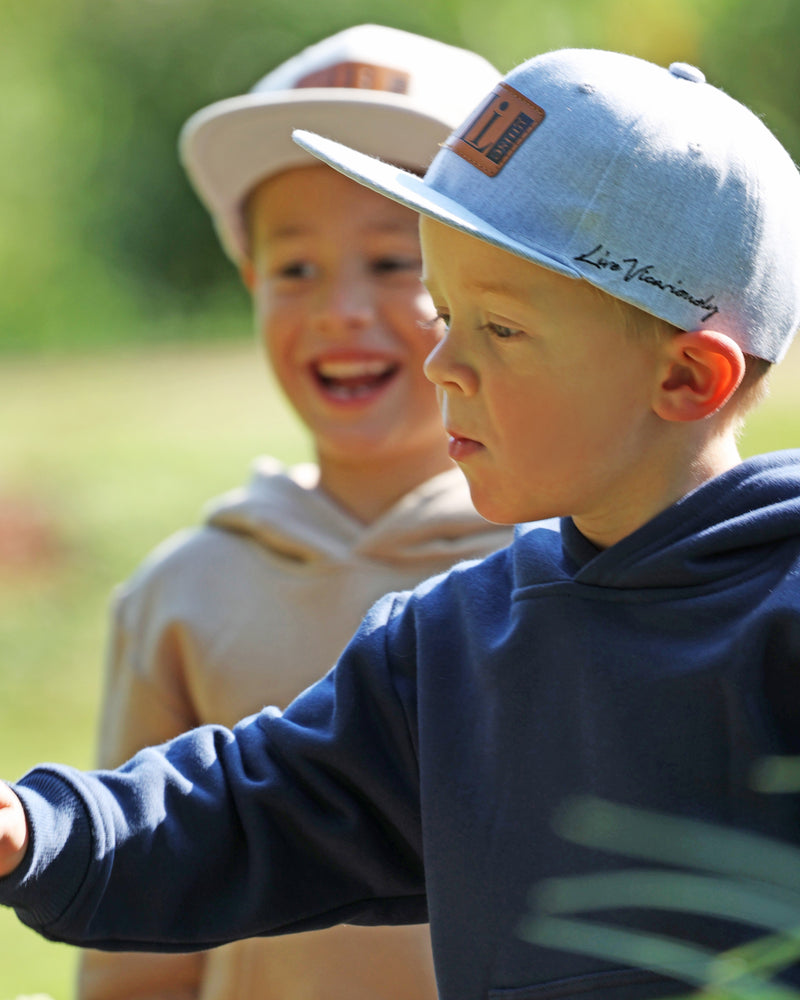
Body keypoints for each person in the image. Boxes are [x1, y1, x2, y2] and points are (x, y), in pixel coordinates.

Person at [3, 46, 800, 1000]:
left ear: (687, 376)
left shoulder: (780, 617)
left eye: (499, 328)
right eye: (445, 313)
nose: (441, 364)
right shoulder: (449, 647)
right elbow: (254, 811)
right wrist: (32, 829)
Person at [74, 24, 507, 1000]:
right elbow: (134, 931)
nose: (338, 310)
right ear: (249, 283)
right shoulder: (183, 594)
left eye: (394, 263)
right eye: (295, 269)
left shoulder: (566, 565)